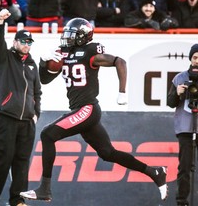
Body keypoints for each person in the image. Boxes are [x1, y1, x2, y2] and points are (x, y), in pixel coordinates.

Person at [19, 17, 168, 203]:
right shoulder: (64, 52)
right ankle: (155, 172)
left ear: (82, 36)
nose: (67, 37)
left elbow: (120, 61)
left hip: (87, 108)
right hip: (80, 110)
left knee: (48, 135)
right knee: (108, 153)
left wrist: (122, 92)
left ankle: (45, 189)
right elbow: (45, 80)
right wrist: (43, 61)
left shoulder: (90, 50)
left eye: (71, 34)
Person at [0, 8, 42, 206]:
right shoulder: (5, 57)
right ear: (15, 42)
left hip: (27, 122)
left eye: (29, 42)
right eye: (23, 41)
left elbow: (37, 92)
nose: (26, 45)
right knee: (4, 158)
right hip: (6, 115)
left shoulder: (32, 65)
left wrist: (35, 114)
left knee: (22, 162)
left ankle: (17, 201)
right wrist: (0, 23)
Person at [167, 44, 198, 206]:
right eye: (195, 57)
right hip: (185, 127)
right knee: (184, 168)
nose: (197, 61)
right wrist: (178, 93)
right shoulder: (179, 78)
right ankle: (182, 201)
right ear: (190, 58)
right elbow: (170, 103)